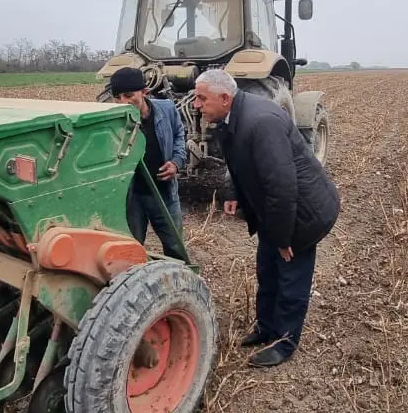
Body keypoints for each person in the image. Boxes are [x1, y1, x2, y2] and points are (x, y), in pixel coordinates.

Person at [191, 69, 339, 368]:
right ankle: (265, 328)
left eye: (201, 98)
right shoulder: (231, 117)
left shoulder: (261, 122)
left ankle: (283, 342)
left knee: (290, 279)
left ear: (224, 97)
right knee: (267, 271)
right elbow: (238, 161)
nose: (196, 104)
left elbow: (282, 187)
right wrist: (233, 192)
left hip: (303, 214)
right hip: (277, 213)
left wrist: (283, 239)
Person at [109, 66, 189, 261]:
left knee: (175, 247)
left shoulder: (167, 109)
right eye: (117, 97)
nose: (123, 102)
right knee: (131, 250)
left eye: (128, 95)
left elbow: (179, 135)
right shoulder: (113, 120)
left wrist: (177, 162)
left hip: (164, 194)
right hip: (132, 197)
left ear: (144, 92)